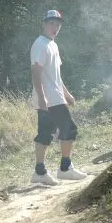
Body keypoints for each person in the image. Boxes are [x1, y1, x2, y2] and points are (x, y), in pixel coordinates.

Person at [30, 10, 87, 185]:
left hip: (54, 97)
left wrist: (67, 94)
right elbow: (35, 72)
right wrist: (41, 97)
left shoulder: (53, 45)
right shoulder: (40, 44)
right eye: (52, 23)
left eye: (58, 24)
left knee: (45, 134)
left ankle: (39, 173)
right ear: (44, 24)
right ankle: (64, 169)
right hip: (50, 99)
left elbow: (56, 76)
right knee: (69, 129)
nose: (55, 27)